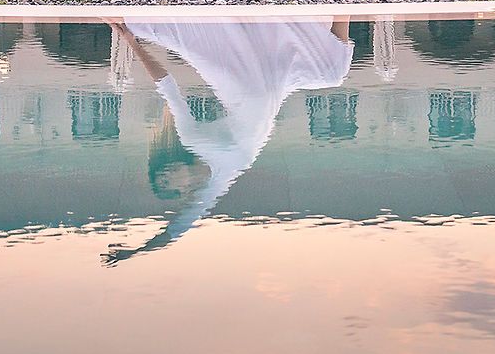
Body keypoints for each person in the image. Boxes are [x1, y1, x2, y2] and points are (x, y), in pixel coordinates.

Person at [105, 16, 354, 262]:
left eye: (163, 176)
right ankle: (345, 1)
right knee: (333, 73)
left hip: (242, 86)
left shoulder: (192, 139)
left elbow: (167, 86)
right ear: (185, 190)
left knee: (209, 35)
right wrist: (139, 252)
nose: (169, 177)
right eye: (170, 184)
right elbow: (179, 227)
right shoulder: (220, 179)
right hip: (273, 86)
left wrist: (133, 43)